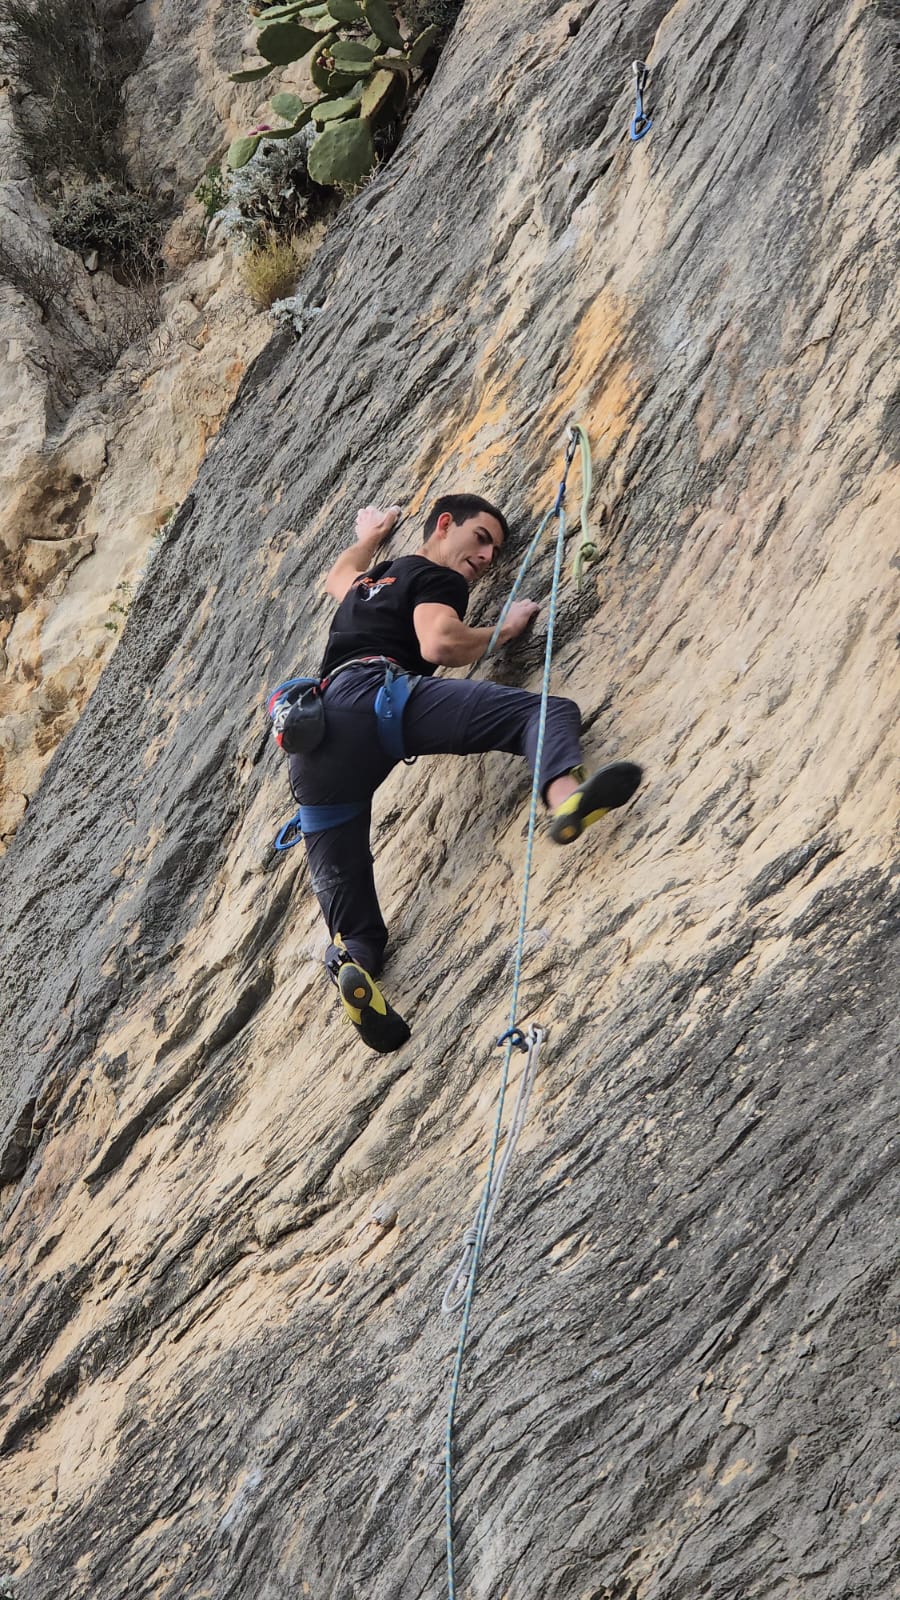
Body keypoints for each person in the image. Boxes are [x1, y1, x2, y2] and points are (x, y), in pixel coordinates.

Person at [272, 493, 642, 1053]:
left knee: (357, 926)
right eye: (482, 538)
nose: (488, 557)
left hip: (313, 746)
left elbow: (337, 575)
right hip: (376, 702)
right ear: (445, 525)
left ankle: (351, 963)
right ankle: (565, 796)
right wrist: (504, 630)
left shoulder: (369, 583)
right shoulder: (435, 576)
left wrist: (369, 536)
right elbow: (440, 641)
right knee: (546, 713)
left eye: (496, 551)